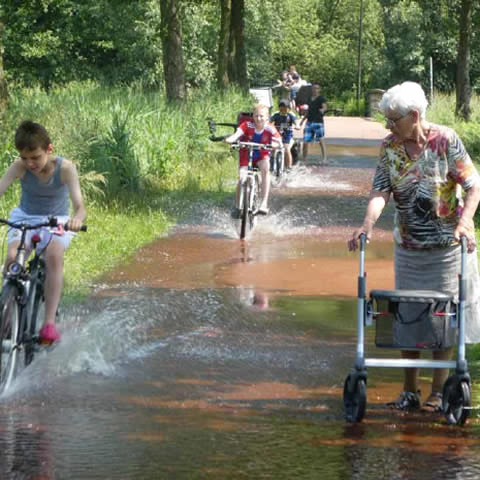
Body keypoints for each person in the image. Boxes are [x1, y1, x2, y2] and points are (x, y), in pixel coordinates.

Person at [348, 81, 480, 412]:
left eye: (394, 119)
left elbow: (473, 186)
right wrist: (367, 223)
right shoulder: (389, 147)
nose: (388, 126)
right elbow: (381, 192)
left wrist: (465, 221)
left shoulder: (446, 140)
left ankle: (437, 392)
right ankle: (410, 391)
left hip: (446, 249)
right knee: (408, 318)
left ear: (415, 115)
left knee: (442, 318)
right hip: (408, 249)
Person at [0, 120, 87, 344]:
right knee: (12, 260)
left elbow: (80, 206)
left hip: (56, 220)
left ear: (49, 149)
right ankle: (7, 315)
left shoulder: (65, 168)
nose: (30, 163)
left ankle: (49, 323)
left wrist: (76, 220)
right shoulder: (18, 166)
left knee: (54, 256)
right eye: (24, 158)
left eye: (35, 157)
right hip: (25, 217)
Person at [225, 104, 282, 217]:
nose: (258, 118)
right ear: (253, 116)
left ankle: (264, 203)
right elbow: (237, 134)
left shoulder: (270, 128)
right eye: (256, 116)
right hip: (246, 153)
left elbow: (278, 140)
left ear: (267, 117)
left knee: (265, 169)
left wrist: (275, 145)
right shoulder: (247, 125)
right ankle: (238, 206)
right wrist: (230, 140)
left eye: (261, 116)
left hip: (261, 154)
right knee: (242, 178)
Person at [299, 83, 327, 165]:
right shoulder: (309, 99)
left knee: (321, 140)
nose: (315, 90)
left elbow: (325, 106)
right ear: (312, 89)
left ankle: (324, 158)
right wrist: (302, 121)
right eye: (314, 88)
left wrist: (323, 110)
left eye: (317, 88)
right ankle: (304, 159)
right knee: (305, 141)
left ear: (319, 90)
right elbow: (308, 112)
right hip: (309, 122)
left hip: (318, 122)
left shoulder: (321, 99)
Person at [270, 99, 297, 170]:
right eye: (281, 107)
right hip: (277, 135)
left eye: (285, 107)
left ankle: (289, 167)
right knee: (272, 148)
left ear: (288, 108)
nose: (283, 109)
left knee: (286, 149)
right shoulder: (276, 114)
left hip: (287, 135)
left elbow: (295, 122)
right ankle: (271, 165)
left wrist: (297, 126)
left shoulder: (291, 115)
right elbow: (269, 121)